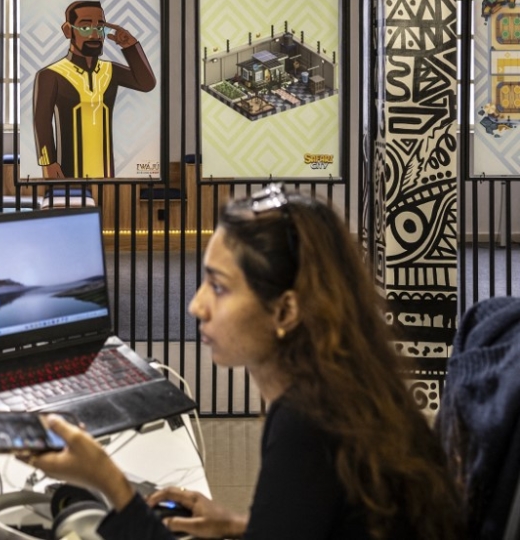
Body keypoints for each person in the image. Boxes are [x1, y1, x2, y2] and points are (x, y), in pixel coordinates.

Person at [25, 185, 464, 539]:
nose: (197, 305)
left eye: (218, 288)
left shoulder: (308, 422)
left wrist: (110, 484)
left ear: (286, 311)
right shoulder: (343, 389)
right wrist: (240, 525)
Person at [32, 0, 156, 179]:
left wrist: (130, 45)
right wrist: (48, 163)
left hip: (106, 172)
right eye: (85, 27)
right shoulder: (51, 74)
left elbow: (147, 84)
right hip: (66, 170)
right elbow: (42, 121)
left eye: (100, 28)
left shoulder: (110, 71)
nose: (95, 35)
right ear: (68, 30)